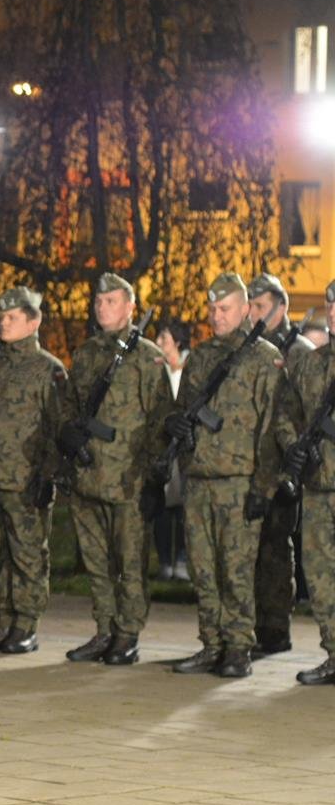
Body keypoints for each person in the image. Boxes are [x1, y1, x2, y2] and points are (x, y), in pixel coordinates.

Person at [166, 272, 283, 679]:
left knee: (235, 570)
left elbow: (271, 430)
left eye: (225, 308)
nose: (217, 316)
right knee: (203, 569)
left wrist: (262, 488)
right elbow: (181, 411)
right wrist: (176, 430)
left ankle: (237, 647)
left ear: (246, 309)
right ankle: (211, 644)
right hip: (200, 480)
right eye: (212, 309)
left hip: (239, 482)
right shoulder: (199, 357)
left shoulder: (265, 359)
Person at [58, 274, 172, 666]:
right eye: (99, 301)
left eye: (111, 301)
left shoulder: (148, 357)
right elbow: (71, 404)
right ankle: (104, 629)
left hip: (127, 480)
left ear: (129, 307)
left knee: (130, 563)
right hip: (87, 476)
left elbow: (161, 421)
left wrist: (153, 477)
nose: (102, 307)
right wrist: (69, 435)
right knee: (96, 561)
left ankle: (128, 633)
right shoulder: (87, 353)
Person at [0, 288, 66, 654]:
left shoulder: (48, 369)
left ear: (34, 321)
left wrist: (47, 477)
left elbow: (58, 429)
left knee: (28, 557)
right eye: (2, 317)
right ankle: (4, 622)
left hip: (25, 482)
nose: (3, 322)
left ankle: (26, 625)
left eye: (12, 318)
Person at [278, 290, 335, 685]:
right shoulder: (311, 364)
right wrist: (295, 445)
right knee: (319, 575)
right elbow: (286, 410)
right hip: (318, 486)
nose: (334, 313)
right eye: (331, 306)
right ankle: (334, 653)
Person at [247, 273, 298, 658]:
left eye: (260, 307)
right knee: (248, 551)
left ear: (281, 308)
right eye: (250, 306)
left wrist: (290, 473)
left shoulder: (297, 352)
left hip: (283, 472)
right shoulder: (250, 349)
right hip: (251, 466)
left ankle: (275, 630)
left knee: (275, 551)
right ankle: (249, 626)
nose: (253, 314)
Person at [154, 317, 190, 581]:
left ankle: (182, 561)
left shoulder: (190, 368)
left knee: (184, 508)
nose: (158, 343)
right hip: (164, 447)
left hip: (185, 450)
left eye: (163, 339)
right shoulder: (158, 369)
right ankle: (165, 561)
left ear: (177, 342)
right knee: (164, 508)